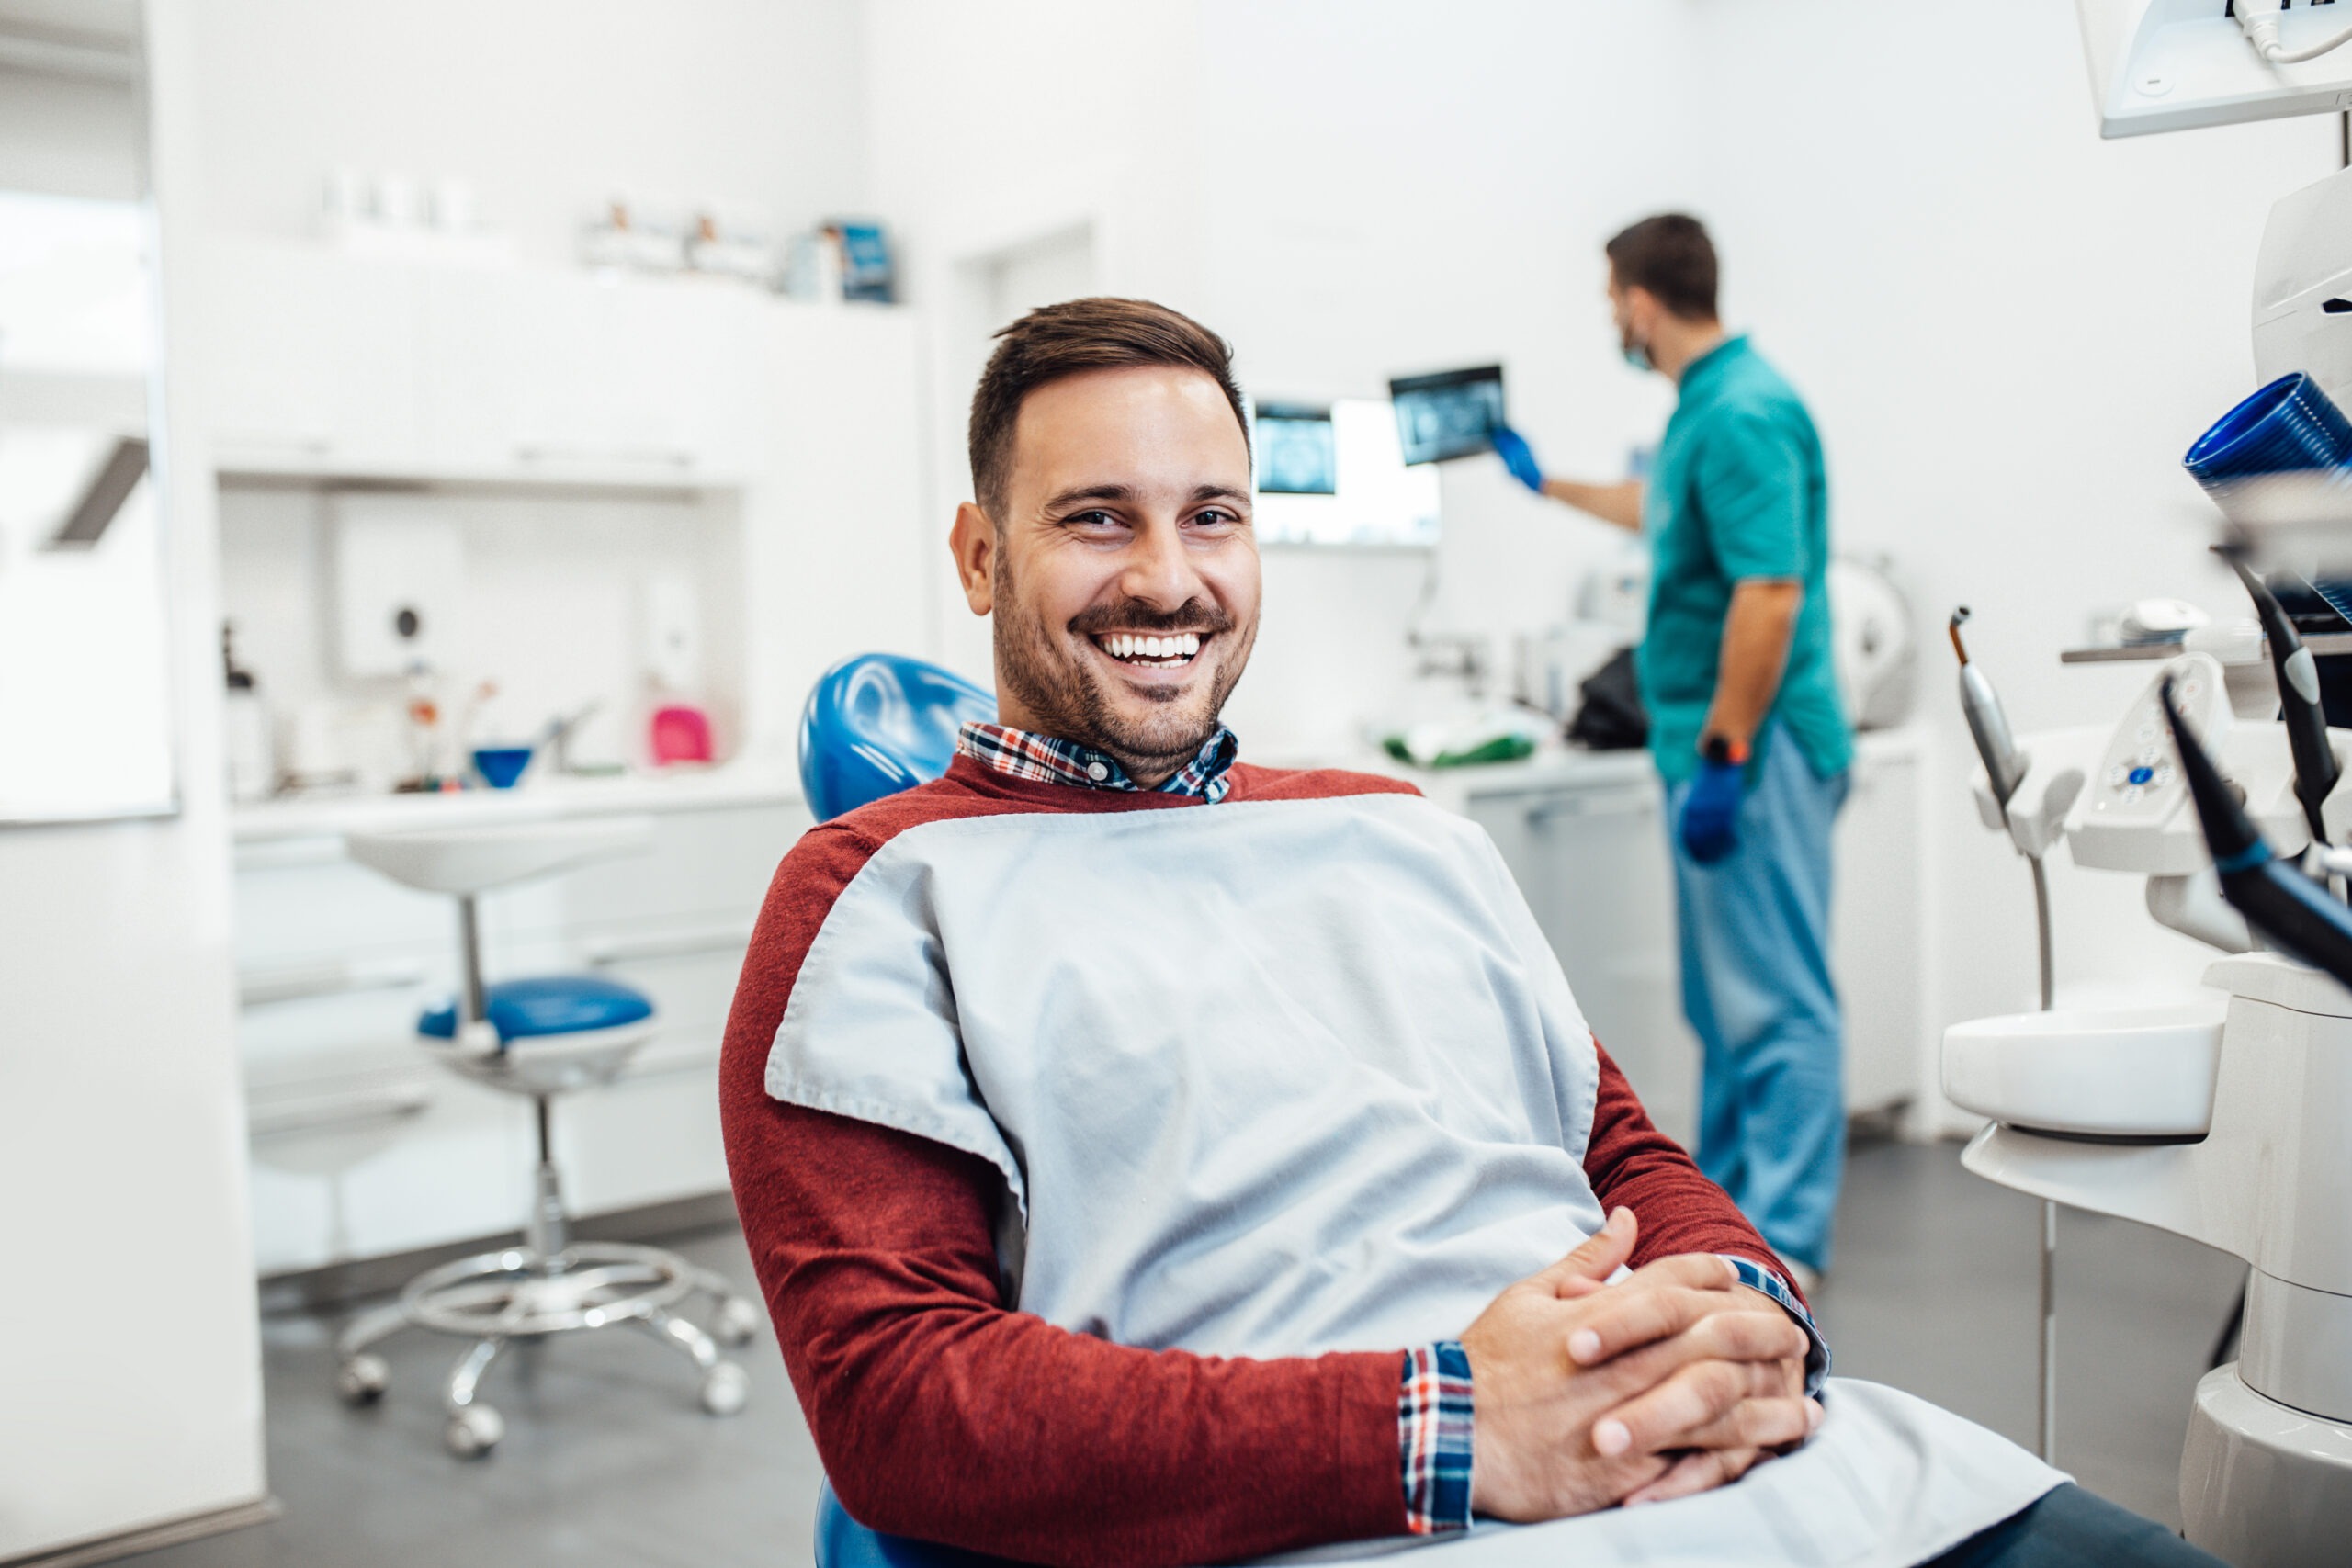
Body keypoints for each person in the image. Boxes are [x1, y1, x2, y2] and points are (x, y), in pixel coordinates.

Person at [719, 298, 2216, 1566]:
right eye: (1096, 517)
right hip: (1341, 1514)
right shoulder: (879, 891)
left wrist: (1749, 1315)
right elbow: (901, 1401)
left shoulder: (1402, 826)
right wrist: (1447, 1423)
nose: (1168, 579)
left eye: (1214, 517)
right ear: (980, 557)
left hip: (1739, 1463)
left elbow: (1618, 1149)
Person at [1489, 214, 1851, 1289]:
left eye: (1612, 299)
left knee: (1778, 1002)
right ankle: (1730, 1216)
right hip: (1712, 748)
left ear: (1642, 301)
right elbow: (1660, 511)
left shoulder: (1742, 411)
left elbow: (1769, 591)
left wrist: (1730, 751)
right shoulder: (1707, 407)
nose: (1612, 318)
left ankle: (1784, 1242)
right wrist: (1543, 482)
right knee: (1725, 1003)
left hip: (1756, 747)